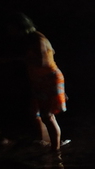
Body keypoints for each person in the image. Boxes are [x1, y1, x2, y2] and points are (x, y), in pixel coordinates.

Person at [6, 13, 67, 150]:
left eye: (12, 28)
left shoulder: (39, 39)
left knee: (48, 116)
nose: (10, 31)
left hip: (49, 80)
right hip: (39, 80)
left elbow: (42, 62)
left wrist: (16, 59)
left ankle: (55, 150)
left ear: (20, 26)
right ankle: (44, 141)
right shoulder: (31, 39)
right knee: (35, 113)